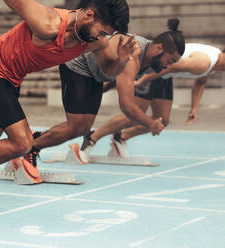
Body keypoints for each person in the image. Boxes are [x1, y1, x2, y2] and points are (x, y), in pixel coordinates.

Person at [0, 0, 134, 211]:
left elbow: (108, 71)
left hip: (11, 80)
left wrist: (122, 61)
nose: (102, 37)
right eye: (102, 31)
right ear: (89, 15)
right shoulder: (47, 22)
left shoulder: (94, 41)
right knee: (23, 143)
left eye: (106, 34)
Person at [22, 18, 185, 166]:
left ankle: (37, 138)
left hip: (97, 75)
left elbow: (120, 70)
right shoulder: (134, 54)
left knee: (83, 128)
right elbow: (127, 107)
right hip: (78, 65)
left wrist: (112, 82)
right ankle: (31, 148)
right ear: (159, 49)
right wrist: (150, 124)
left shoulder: (150, 58)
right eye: (170, 61)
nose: (168, 67)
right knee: (75, 126)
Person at [79, 43, 225, 160]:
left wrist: (194, 109)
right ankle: (91, 138)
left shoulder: (213, 65)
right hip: (153, 70)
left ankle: (121, 137)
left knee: (162, 120)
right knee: (134, 114)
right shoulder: (203, 62)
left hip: (164, 76)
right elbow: (168, 66)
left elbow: (200, 83)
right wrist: (143, 79)